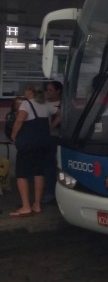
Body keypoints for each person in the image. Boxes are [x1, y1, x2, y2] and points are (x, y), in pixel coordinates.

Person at [9, 85, 60, 217]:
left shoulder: (26, 104)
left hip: (28, 145)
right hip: (43, 143)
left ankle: (25, 206)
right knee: (39, 172)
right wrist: (51, 126)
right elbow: (60, 114)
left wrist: (14, 135)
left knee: (21, 174)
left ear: (30, 92)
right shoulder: (46, 104)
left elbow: (20, 120)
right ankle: (37, 204)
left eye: (26, 90)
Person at [43, 81, 63, 204]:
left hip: (58, 136)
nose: (47, 92)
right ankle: (50, 190)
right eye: (47, 90)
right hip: (46, 137)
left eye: (50, 90)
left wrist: (50, 127)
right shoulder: (44, 104)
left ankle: (54, 191)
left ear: (58, 91)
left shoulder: (63, 104)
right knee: (48, 163)